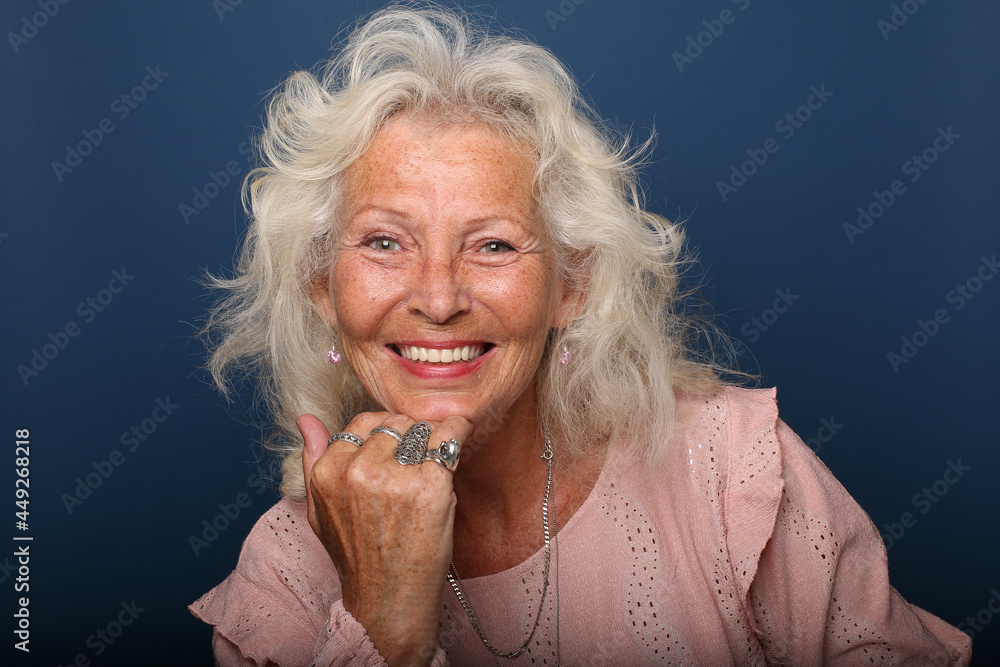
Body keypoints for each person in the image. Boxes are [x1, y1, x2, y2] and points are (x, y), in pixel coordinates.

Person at [190, 4, 972, 665]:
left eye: (492, 244)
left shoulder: (733, 470)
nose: (437, 297)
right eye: (385, 242)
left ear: (574, 285)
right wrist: (382, 619)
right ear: (321, 286)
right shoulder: (283, 576)